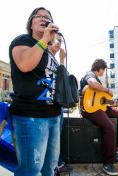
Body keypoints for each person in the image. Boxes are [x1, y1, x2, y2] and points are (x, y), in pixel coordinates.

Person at [9, 7, 61, 176]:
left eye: (48, 17)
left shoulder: (48, 51)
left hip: (54, 115)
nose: (44, 19)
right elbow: (25, 65)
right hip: (31, 116)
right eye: (39, 16)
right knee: (31, 170)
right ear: (31, 23)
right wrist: (45, 39)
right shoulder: (22, 41)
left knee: (49, 168)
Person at [80, 59, 118, 176]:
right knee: (110, 127)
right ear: (100, 68)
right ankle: (108, 163)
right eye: (104, 70)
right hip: (89, 109)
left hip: (101, 107)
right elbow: (92, 84)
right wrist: (108, 90)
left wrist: (112, 102)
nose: (104, 72)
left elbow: (101, 100)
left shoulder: (98, 80)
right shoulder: (90, 74)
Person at [48, 34, 72, 174]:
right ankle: (55, 164)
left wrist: (62, 60)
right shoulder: (43, 56)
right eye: (56, 39)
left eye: (61, 41)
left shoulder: (55, 60)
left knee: (56, 138)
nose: (59, 43)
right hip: (46, 105)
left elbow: (63, 80)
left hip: (57, 105)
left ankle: (57, 163)